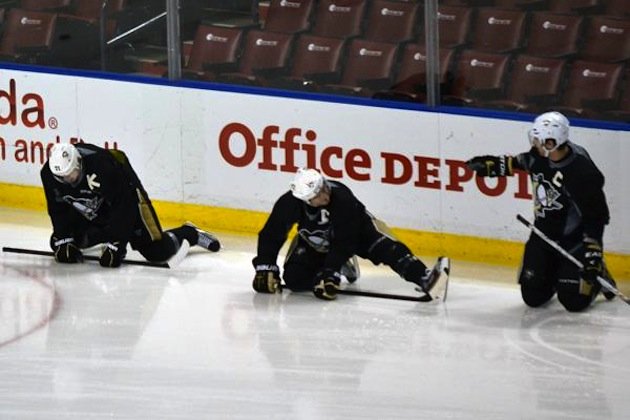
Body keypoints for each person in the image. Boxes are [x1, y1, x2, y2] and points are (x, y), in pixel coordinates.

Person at [466, 111, 615, 312]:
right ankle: (554, 271)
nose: (534, 142)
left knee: (573, 302)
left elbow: (595, 216)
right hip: (543, 235)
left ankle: (599, 276)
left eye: (539, 139)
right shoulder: (540, 156)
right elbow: (521, 162)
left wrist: (593, 253)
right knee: (533, 297)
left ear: (551, 143)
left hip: (573, 239)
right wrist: (492, 166)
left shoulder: (581, 172)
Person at [251, 167, 449, 300]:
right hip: (315, 241)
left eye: (324, 188)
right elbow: (271, 234)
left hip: (357, 232)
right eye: (318, 195)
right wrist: (265, 267)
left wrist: (330, 272)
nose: (325, 195)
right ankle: (338, 266)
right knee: (295, 280)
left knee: (386, 249)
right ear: (306, 200)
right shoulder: (289, 203)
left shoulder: (343, 199)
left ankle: (423, 276)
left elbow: (346, 240)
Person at [41, 142, 220, 268]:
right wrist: (64, 238)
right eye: (62, 177)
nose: (68, 180)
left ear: (79, 163)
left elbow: (124, 206)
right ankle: (104, 237)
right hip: (95, 208)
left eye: (71, 174)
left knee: (157, 252)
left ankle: (190, 233)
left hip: (127, 196)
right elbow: (57, 208)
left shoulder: (103, 167)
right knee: (60, 243)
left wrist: (116, 243)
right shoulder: (49, 175)